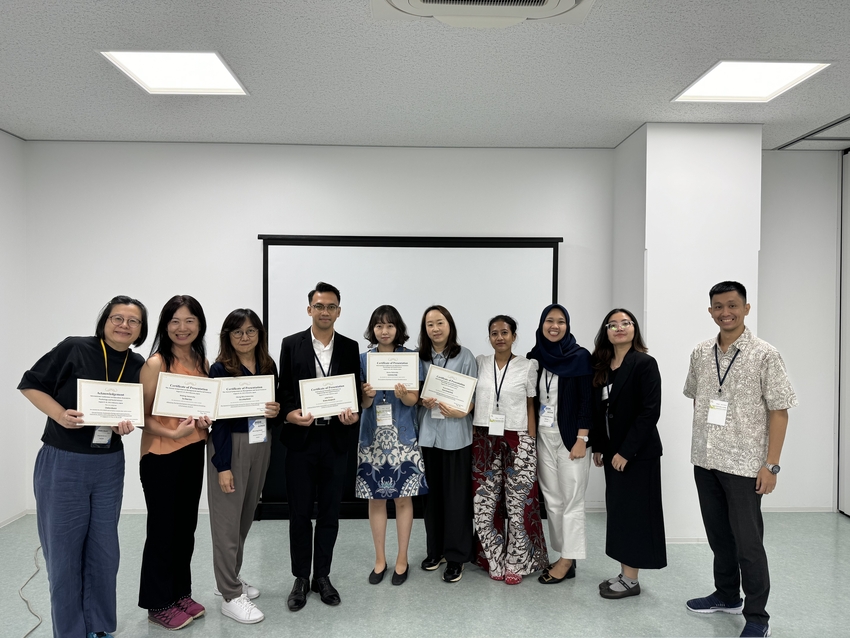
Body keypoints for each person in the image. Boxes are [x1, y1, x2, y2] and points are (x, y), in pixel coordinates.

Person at [19, 295, 148, 638]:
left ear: (141, 330)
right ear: (105, 321)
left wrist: (126, 425)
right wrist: (60, 414)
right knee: (64, 556)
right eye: (117, 318)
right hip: (64, 461)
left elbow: (137, 411)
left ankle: (100, 627)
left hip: (108, 464)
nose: (124, 325)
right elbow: (30, 384)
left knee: (104, 553)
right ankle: (70, 632)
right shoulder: (75, 348)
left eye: (133, 321)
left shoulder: (138, 364)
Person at [684, 281, 797, 638]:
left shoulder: (766, 354)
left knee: (748, 543)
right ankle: (727, 594)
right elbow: (697, 397)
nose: (725, 312)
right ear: (710, 311)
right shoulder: (700, 352)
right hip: (706, 460)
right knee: (719, 537)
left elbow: (779, 411)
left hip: (746, 465)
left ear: (746, 308)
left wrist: (771, 465)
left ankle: (757, 616)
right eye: (718, 306)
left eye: (732, 305)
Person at [278, 281, 362, 611]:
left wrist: (354, 414)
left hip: (335, 440)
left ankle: (322, 576)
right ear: (309, 309)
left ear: (338, 312)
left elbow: (354, 393)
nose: (324, 311)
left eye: (331, 307)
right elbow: (285, 391)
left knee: (329, 512)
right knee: (299, 513)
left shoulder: (350, 347)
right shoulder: (291, 344)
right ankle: (301, 577)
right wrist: (290, 414)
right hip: (302, 440)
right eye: (319, 306)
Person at [138, 295, 212, 631]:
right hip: (160, 456)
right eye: (175, 321)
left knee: (185, 529)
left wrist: (205, 422)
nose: (182, 328)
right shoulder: (155, 363)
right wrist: (173, 434)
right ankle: (157, 603)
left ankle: (180, 593)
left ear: (199, 325)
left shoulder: (202, 361)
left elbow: (203, 409)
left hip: (193, 452)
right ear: (165, 326)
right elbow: (140, 416)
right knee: (162, 531)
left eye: (189, 321)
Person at [208, 309, 281, 623]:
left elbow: (273, 408)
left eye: (251, 331)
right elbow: (219, 423)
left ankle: (230, 578)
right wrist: (222, 466)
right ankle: (230, 595)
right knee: (226, 523)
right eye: (237, 331)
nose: (245, 337)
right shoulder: (219, 369)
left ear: (259, 334)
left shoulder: (268, 365)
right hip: (232, 447)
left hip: (260, 443)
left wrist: (276, 411)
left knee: (244, 518)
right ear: (227, 336)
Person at [590, 308, 666, 599]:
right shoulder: (603, 366)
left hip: (637, 455)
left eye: (625, 323)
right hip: (613, 454)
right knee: (620, 514)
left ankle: (631, 580)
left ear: (634, 329)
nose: (619, 328)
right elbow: (601, 411)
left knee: (635, 516)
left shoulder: (644, 363)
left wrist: (625, 451)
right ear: (606, 332)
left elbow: (650, 412)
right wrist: (600, 446)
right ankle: (625, 574)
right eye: (613, 324)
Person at [356, 305, 428, 586]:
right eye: (378, 326)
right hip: (372, 438)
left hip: (403, 438)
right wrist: (367, 395)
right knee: (375, 498)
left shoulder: (410, 358)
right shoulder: (363, 360)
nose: (384, 331)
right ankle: (379, 559)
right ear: (372, 330)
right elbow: (363, 404)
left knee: (403, 498)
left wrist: (403, 394)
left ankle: (401, 559)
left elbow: (413, 400)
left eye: (389, 325)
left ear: (398, 329)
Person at [471, 315, 546, 584]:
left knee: (518, 504)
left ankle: (517, 561)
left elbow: (530, 405)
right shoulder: (480, 362)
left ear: (514, 336)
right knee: (484, 503)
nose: (499, 337)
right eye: (494, 333)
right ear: (489, 337)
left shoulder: (527, 365)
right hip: (484, 438)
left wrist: (531, 441)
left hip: (518, 437)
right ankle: (493, 558)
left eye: (505, 332)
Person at [526, 303, 593, 584]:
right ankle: (565, 554)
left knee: (572, 500)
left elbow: (587, 401)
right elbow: (531, 399)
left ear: (567, 325)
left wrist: (582, 439)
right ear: (542, 324)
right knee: (552, 500)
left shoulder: (580, 357)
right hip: (544, 437)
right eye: (549, 321)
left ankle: (567, 561)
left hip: (571, 440)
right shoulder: (535, 357)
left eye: (561, 321)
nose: (555, 326)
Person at [417, 305, 478, 583]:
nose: (435, 328)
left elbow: (473, 397)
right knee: (432, 500)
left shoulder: (465, 356)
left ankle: (456, 556)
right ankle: (436, 551)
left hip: (456, 436)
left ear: (449, 325)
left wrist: (464, 409)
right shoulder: (418, 357)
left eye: (440, 322)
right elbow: (412, 394)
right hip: (428, 436)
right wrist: (420, 399)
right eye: (430, 324)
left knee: (456, 499)